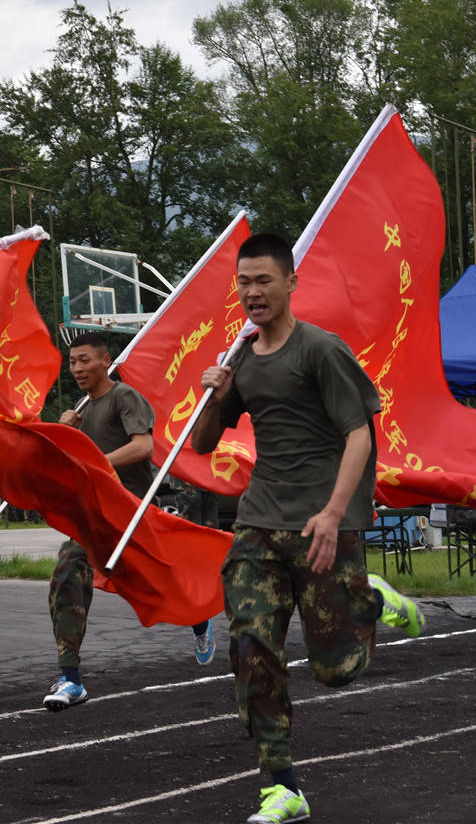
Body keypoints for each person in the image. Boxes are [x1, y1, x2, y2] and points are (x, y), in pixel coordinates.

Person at [189, 232, 424, 824]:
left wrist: (332, 512)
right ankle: (281, 785)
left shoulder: (322, 351)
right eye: (244, 283)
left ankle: (369, 603)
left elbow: (359, 435)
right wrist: (215, 397)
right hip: (259, 522)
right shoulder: (240, 358)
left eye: (264, 280)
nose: (253, 292)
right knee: (251, 645)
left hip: (325, 525)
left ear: (291, 282)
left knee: (335, 670)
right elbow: (202, 443)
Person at [42, 332, 217, 713]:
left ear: (107, 361)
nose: (77, 369)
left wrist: (98, 463)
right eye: (72, 362)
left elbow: (142, 446)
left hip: (132, 511)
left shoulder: (124, 397)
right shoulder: (82, 409)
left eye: (85, 360)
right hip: (93, 515)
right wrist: (66, 429)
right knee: (67, 574)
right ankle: (70, 677)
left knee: (159, 583)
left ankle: (199, 617)